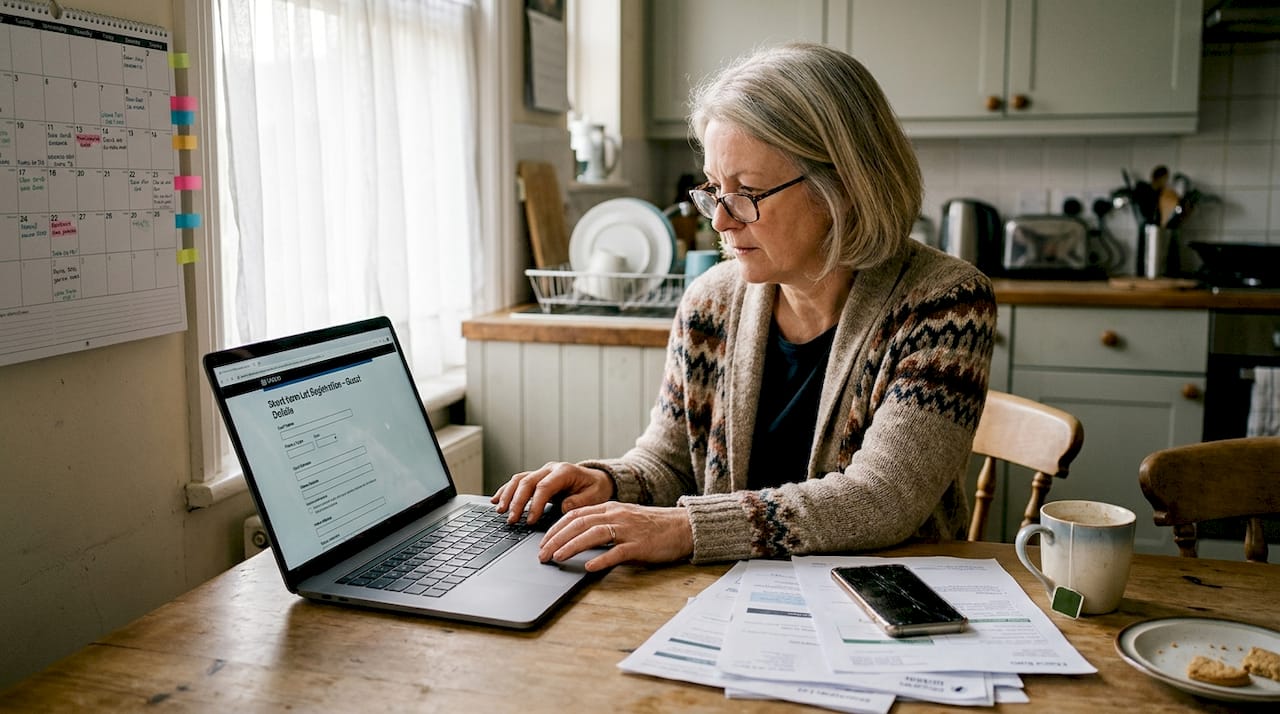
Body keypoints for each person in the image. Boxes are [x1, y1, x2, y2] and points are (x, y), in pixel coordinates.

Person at [493, 42, 996, 571]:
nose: (721, 221)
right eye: (713, 190)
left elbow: (882, 498)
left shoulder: (947, 303)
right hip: (734, 602)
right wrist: (610, 481)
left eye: (747, 191)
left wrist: (688, 527)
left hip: (889, 605)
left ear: (844, 187)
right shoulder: (710, 302)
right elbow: (670, 463)